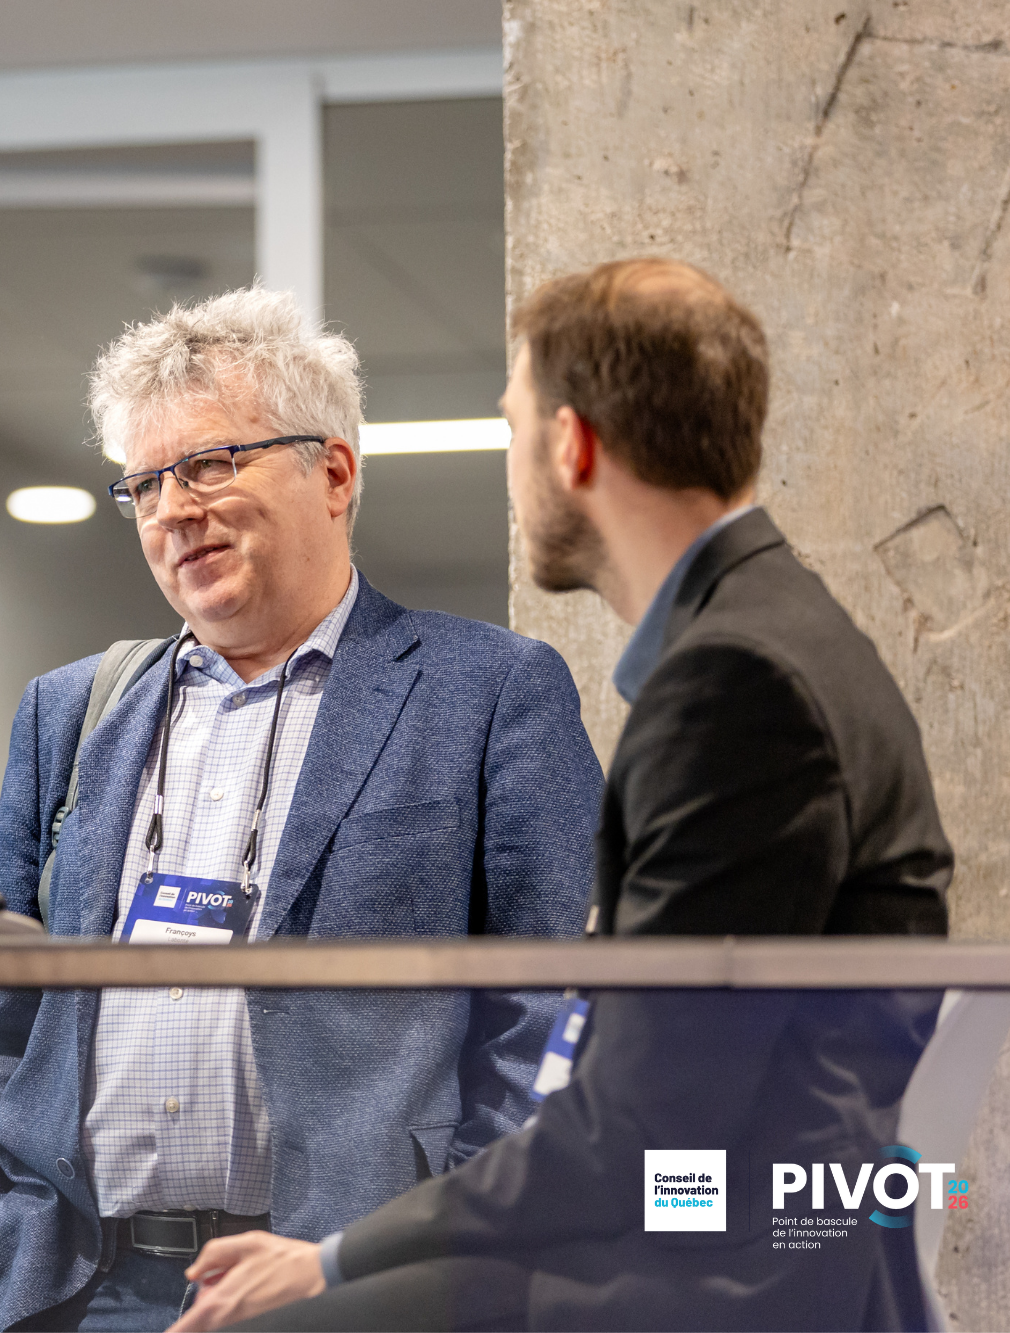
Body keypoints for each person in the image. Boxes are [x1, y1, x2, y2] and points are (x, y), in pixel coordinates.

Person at [172, 259, 953, 1332]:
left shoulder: (735, 684)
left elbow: (636, 1127)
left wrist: (333, 1259)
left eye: (512, 426)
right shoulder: (775, 632)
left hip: (719, 1276)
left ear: (571, 445)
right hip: (743, 1236)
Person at [0, 287, 604, 1332]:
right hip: (80, 1291)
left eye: (209, 464)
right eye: (143, 483)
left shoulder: (486, 692)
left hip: (352, 1288)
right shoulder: (70, 713)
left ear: (332, 472)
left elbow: (548, 1014)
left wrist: (447, 1261)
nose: (171, 509)